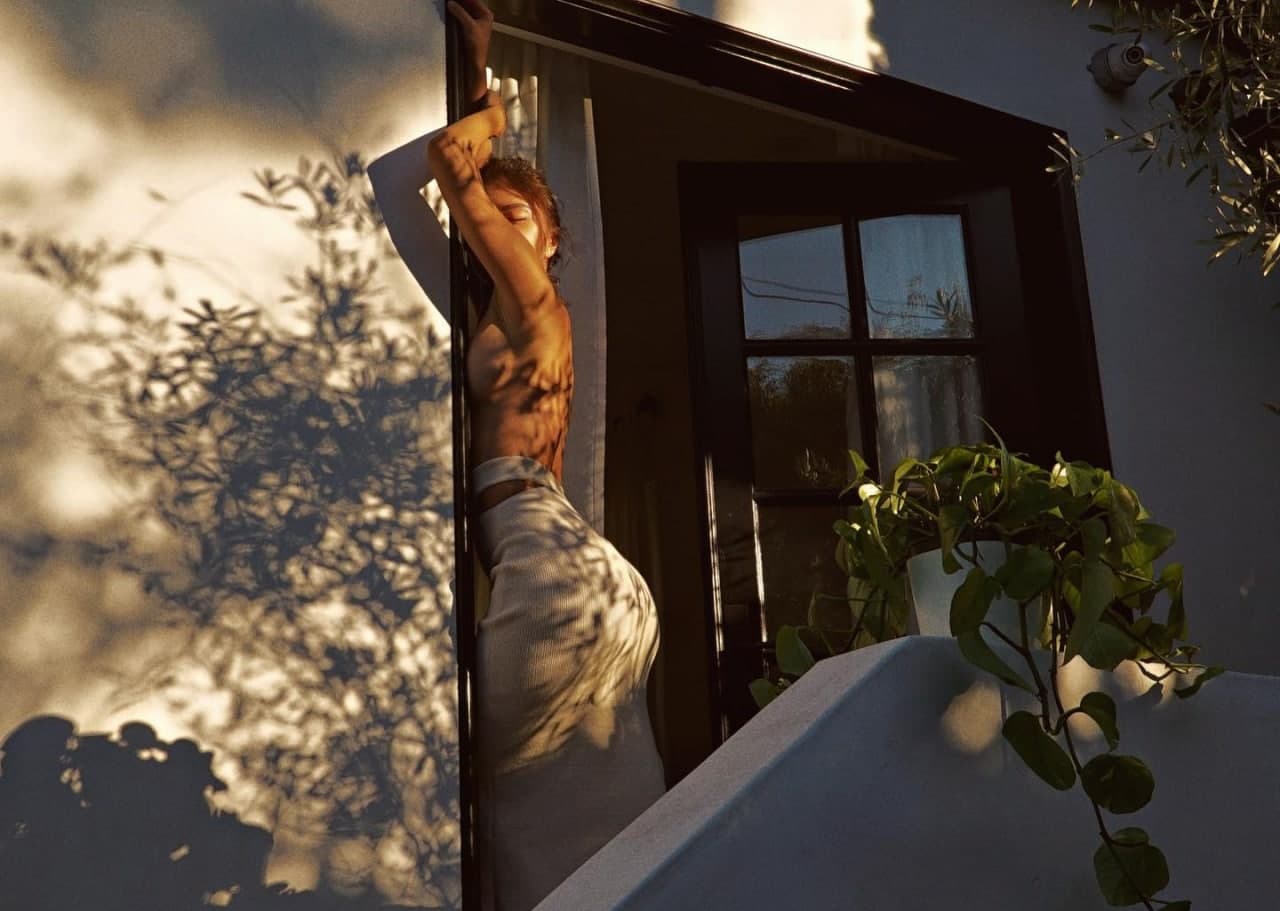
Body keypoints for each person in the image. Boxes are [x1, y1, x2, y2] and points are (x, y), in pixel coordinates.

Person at [370, 2, 667, 908]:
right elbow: (453, 193)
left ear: (549, 238)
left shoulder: (536, 299)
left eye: (517, 217)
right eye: (486, 221)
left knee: (508, 826)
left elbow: (442, 163)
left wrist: (490, 113)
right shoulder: (503, 316)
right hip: (586, 579)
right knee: (592, 840)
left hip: (554, 578)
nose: (492, 226)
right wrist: (471, 62)